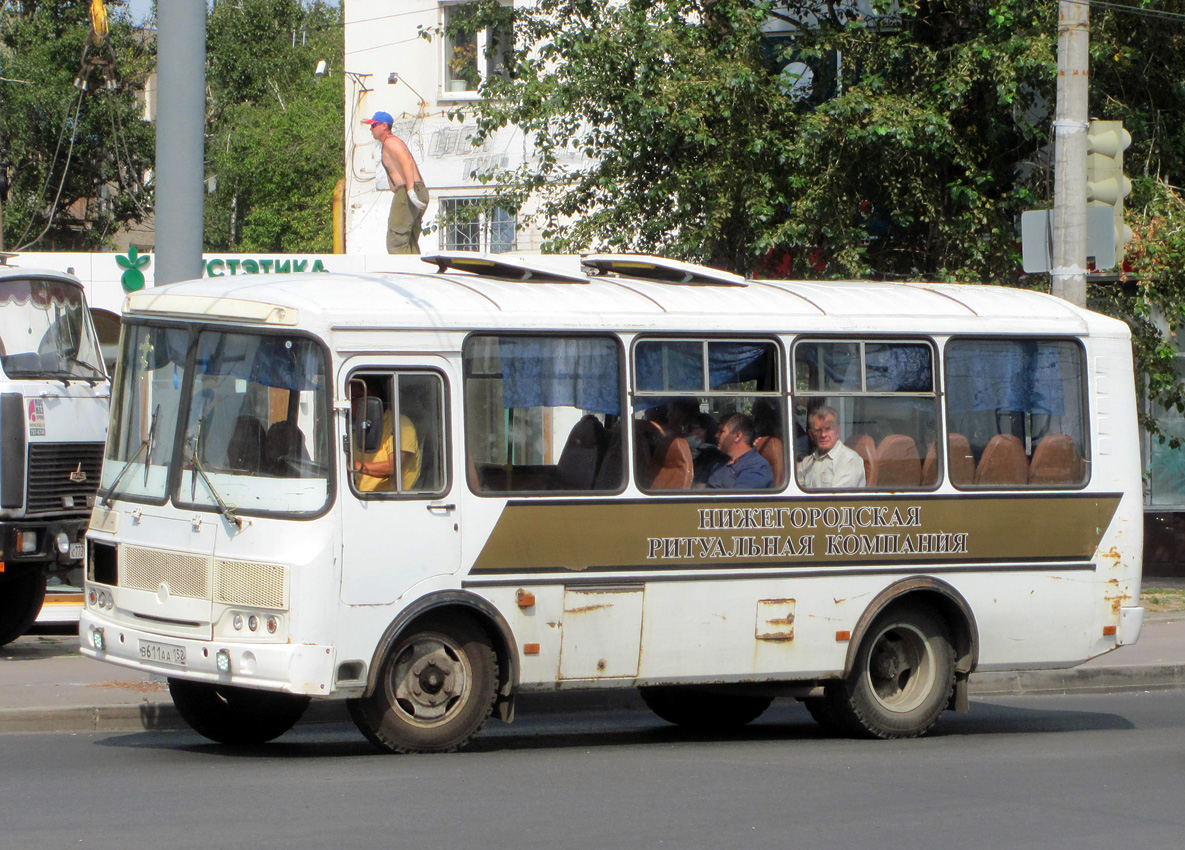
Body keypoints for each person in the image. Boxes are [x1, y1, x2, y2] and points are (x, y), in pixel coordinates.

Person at [362, 111, 430, 254]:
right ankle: (416, 272)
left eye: (373, 125)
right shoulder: (388, 143)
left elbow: (407, 163)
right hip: (413, 190)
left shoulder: (391, 142)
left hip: (408, 191)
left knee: (396, 242)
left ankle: (404, 274)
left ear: (384, 126)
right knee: (409, 240)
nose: (371, 129)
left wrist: (410, 191)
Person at [349, 382, 421, 491]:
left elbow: (393, 466)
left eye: (352, 398)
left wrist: (355, 466)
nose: (348, 404)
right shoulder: (356, 426)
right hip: (360, 496)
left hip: (392, 500)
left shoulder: (400, 425)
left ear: (370, 400)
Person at [798, 405, 866, 488]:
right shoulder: (806, 463)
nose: (823, 435)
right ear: (811, 435)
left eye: (828, 429)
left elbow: (837, 498)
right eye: (818, 430)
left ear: (838, 431)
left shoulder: (849, 459)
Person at [704, 413, 774, 490]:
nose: (716, 435)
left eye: (721, 431)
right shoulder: (719, 461)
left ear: (737, 436)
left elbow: (740, 499)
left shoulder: (757, 466)